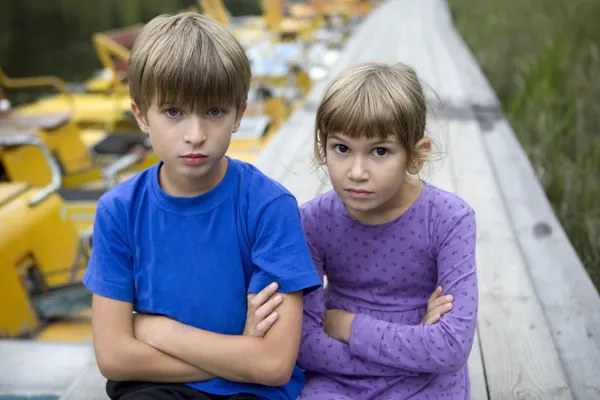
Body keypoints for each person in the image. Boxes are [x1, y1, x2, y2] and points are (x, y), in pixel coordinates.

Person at [82, 12, 322, 400]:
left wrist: (159, 331)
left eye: (214, 112)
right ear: (141, 115)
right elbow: (114, 356)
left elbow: (273, 365)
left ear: (239, 114)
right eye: (173, 112)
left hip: (253, 393)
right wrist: (238, 352)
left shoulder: (268, 206)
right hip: (158, 387)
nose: (195, 136)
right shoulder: (119, 211)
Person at [296, 62, 478, 399]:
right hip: (339, 381)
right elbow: (304, 343)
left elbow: (451, 347)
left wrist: (345, 325)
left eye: (380, 151)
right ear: (323, 146)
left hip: (426, 383)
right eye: (342, 148)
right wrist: (417, 340)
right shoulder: (312, 221)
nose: (357, 171)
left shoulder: (450, 219)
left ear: (416, 155)